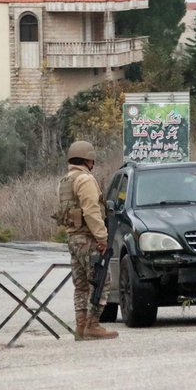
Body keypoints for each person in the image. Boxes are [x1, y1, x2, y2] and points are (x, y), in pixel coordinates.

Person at [56, 141, 118, 340]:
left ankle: (81, 327)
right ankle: (93, 324)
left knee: (81, 284)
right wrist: (102, 237)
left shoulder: (65, 180)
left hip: (73, 237)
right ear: (88, 159)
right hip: (88, 238)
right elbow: (91, 210)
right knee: (102, 279)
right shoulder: (85, 179)